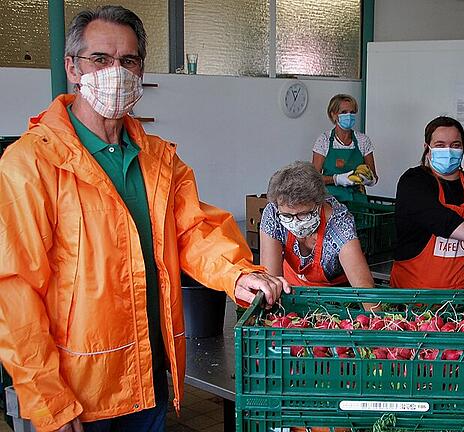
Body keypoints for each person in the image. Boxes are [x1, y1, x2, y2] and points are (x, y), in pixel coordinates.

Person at [0, 6, 289, 432]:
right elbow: (15, 292)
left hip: (149, 379)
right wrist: (50, 401)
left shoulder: (158, 158)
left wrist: (238, 273)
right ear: (72, 68)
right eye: (99, 59)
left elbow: (193, 229)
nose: (115, 71)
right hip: (81, 393)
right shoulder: (31, 163)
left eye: (128, 61)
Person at [390, 116, 464, 289]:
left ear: (463, 148)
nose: (448, 151)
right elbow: (441, 221)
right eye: (440, 145)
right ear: (427, 148)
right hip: (413, 295)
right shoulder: (413, 181)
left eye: (455, 145)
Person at [259, 161, 375, 287]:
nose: (295, 222)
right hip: (291, 290)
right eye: (287, 216)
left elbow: (363, 287)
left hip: (334, 296)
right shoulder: (273, 212)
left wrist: (370, 306)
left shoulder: (339, 225)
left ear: (319, 203)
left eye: (303, 214)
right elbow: (271, 282)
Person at [312, 94, 377, 203]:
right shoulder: (324, 140)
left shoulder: (363, 140)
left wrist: (369, 180)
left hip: (358, 200)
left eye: (352, 112)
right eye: (344, 112)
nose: (349, 115)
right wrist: (336, 179)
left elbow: (374, 176)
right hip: (331, 201)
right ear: (333, 115)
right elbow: (313, 178)